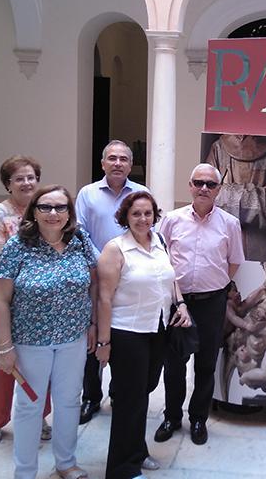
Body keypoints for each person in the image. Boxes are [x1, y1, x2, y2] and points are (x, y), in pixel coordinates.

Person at [0, 185, 97, 479]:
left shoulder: (80, 240)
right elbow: (1, 300)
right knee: (30, 405)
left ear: (69, 212)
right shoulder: (17, 246)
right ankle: (25, 472)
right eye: (45, 207)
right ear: (34, 212)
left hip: (73, 338)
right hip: (31, 341)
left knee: (69, 400)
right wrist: (4, 347)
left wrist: (92, 324)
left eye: (60, 207)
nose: (53, 213)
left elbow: (94, 284)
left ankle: (66, 463)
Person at [94, 191, 190, 479]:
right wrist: (104, 342)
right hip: (128, 333)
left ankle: (136, 450)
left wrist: (181, 304)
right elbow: (104, 298)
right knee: (129, 400)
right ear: (125, 216)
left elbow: (169, 279)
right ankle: (122, 469)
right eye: (136, 213)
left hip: (157, 329)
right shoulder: (115, 249)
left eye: (148, 213)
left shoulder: (158, 241)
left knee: (142, 393)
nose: (142, 218)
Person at [154, 164, 245, 445]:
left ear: (219, 190)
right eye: (198, 183)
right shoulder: (171, 220)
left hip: (211, 304)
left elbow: (234, 261)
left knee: (205, 365)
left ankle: (198, 419)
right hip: (176, 303)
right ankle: (171, 417)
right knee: (174, 364)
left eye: (210, 184)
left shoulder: (230, 224)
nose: (204, 188)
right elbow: (160, 258)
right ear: (190, 186)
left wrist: (217, 285)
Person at [75, 140, 148, 424]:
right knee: (93, 337)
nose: (118, 163)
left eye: (123, 159)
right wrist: (103, 261)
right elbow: (80, 232)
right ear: (103, 163)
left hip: (130, 278)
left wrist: (125, 263)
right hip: (95, 277)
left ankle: (119, 393)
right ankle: (91, 397)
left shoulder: (141, 193)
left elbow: (148, 230)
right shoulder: (88, 194)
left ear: (130, 165)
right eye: (112, 158)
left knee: (124, 336)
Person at [0, 155, 51, 446]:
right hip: (4, 301)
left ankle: (40, 415)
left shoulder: (45, 209)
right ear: (8, 184)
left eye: (31, 177)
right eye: (19, 178)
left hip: (41, 303)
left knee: (40, 362)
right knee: (4, 361)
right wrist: (39, 270)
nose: (26, 183)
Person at [206, 134, 266, 261]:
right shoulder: (218, 149)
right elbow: (206, 198)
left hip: (259, 247)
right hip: (221, 245)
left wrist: (236, 198)